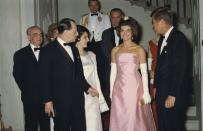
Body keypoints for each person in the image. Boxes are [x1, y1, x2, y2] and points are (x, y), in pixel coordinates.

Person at [38, 18, 98, 131]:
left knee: (79, 128)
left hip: (78, 99)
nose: (77, 34)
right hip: (60, 101)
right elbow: (44, 78)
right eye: (74, 31)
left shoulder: (74, 49)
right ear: (65, 31)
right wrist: (47, 101)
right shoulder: (47, 51)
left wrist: (88, 88)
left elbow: (79, 73)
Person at [109, 17, 156, 131]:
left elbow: (144, 73)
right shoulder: (115, 50)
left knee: (133, 117)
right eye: (122, 30)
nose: (125, 33)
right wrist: (111, 92)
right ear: (119, 32)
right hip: (119, 88)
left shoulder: (139, 49)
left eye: (128, 30)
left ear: (133, 32)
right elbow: (113, 72)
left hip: (134, 87)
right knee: (119, 117)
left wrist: (146, 93)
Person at [151, 7, 191, 131]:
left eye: (154, 23)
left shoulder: (179, 39)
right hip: (163, 91)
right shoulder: (163, 38)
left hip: (173, 93)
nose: (153, 27)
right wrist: (156, 86)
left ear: (162, 22)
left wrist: (173, 94)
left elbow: (181, 69)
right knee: (163, 125)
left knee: (174, 125)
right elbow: (161, 65)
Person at [13, 26, 50, 131]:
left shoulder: (47, 52)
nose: (39, 37)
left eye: (41, 34)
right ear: (28, 37)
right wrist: (29, 91)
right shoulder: (20, 54)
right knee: (31, 125)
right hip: (30, 98)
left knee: (46, 126)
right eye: (35, 34)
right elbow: (17, 75)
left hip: (47, 99)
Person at [75, 25, 109, 131]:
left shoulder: (92, 55)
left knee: (93, 123)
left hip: (92, 95)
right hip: (78, 95)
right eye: (85, 37)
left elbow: (96, 78)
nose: (88, 40)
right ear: (77, 38)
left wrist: (99, 95)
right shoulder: (71, 56)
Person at [100, 8, 125, 131]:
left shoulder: (127, 32)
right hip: (108, 74)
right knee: (109, 106)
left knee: (123, 105)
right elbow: (105, 52)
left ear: (122, 17)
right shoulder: (105, 33)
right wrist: (116, 64)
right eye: (112, 17)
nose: (115, 20)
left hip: (125, 75)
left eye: (117, 17)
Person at [80, 0, 111, 92]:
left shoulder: (105, 17)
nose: (93, 7)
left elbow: (107, 32)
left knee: (101, 65)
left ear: (99, 5)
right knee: (89, 64)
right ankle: (89, 86)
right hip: (88, 43)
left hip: (100, 44)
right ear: (88, 6)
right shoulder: (84, 17)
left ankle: (101, 87)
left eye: (95, 5)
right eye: (91, 5)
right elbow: (81, 31)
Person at [147, 34, 160, 127]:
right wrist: (150, 72)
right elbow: (149, 61)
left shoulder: (170, 41)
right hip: (153, 74)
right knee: (153, 102)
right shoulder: (151, 43)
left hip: (164, 74)